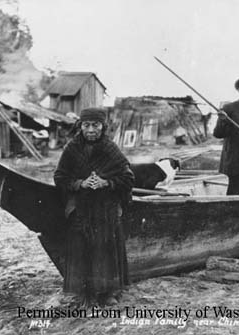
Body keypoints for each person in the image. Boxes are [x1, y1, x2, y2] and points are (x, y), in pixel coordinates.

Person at [54, 107, 134, 306]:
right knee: (81, 249)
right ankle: (83, 292)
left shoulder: (110, 149)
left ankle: (108, 292)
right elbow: (60, 177)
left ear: (103, 127)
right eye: (86, 125)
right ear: (80, 126)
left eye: (95, 125)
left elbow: (128, 178)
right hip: (81, 207)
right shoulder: (72, 149)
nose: (91, 130)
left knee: (104, 249)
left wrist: (105, 183)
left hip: (105, 208)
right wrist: (80, 183)